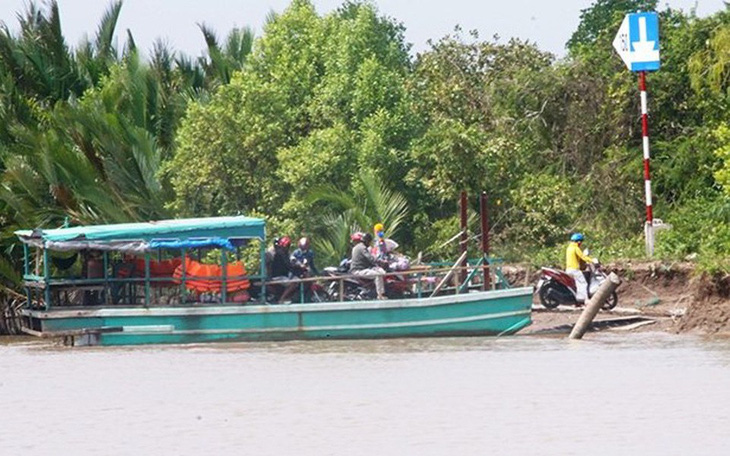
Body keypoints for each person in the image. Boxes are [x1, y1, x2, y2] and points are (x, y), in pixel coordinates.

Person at [350, 232, 387, 299]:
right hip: (359, 271)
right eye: (369, 242)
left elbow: (368, 259)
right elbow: (370, 258)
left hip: (358, 269)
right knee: (378, 275)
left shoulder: (357, 247)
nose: (369, 244)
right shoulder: (362, 248)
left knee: (376, 271)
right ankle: (380, 295)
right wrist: (381, 262)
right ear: (367, 241)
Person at [265, 236, 297, 303]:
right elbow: (268, 266)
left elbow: (291, 262)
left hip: (284, 275)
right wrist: (268, 277)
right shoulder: (273, 254)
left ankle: (291, 297)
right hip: (276, 276)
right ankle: (282, 299)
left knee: (298, 280)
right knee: (293, 283)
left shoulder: (286, 253)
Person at [565, 232, 595, 304]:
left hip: (568, 269)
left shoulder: (569, 248)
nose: (580, 243)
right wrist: (592, 260)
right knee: (583, 283)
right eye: (581, 241)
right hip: (574, 270)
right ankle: (585, 300)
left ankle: (577, 301)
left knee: (576, 284)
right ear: (578, 241)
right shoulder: (576, 248)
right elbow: (583, 257)